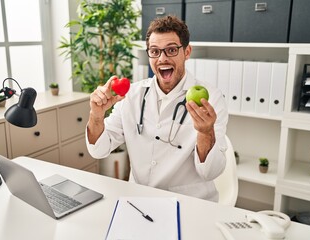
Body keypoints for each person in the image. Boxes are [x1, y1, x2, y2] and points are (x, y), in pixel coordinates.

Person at [86, 15, 228, 201]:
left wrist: (205, 132)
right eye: (154, 51)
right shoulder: (132, 95)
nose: (162, 58)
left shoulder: (211, 98)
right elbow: (98, 150)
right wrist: (96, 115)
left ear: (187, 52)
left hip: (190, 203)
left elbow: (209, 172)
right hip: (139, 201)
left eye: (171, 50)